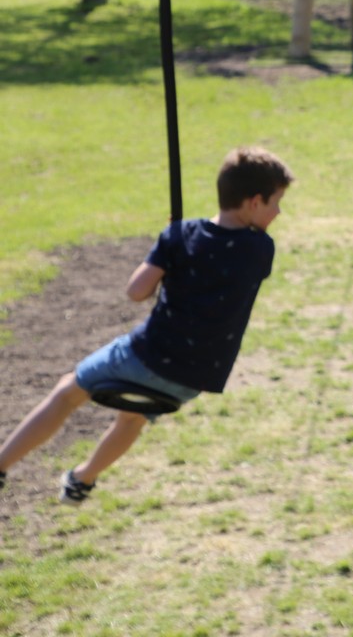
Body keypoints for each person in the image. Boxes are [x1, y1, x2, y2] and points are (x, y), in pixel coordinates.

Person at [0, 147, 294, 504]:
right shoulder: (262, 250)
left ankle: (2, 464)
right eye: (277, 202)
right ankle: (82, 479)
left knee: (67, 393)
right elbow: (219, 257)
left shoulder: (180, 237)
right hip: (193, 378)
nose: (279, 212)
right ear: (254, 202)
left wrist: (170, 243)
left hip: (147, 357)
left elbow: (136, 292)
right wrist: (179, 240)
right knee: (132, 419)